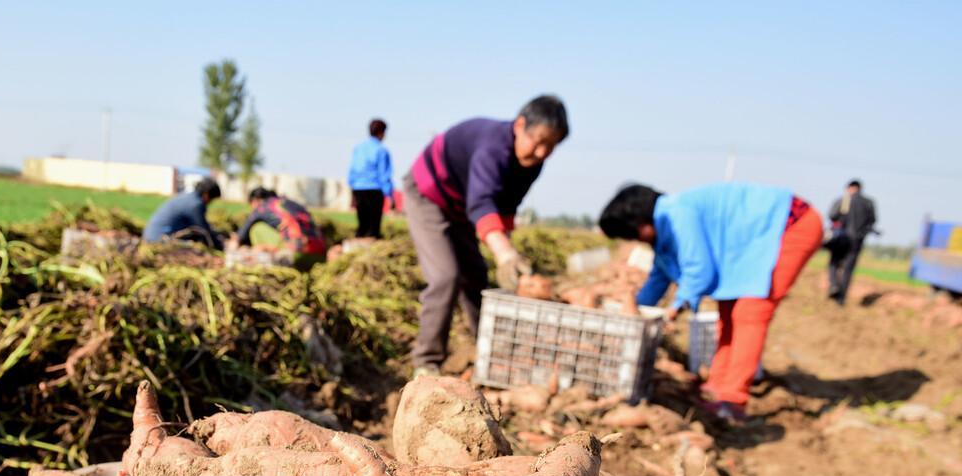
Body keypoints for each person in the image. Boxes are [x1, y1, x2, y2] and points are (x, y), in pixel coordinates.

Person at [599, 183, 823, 421]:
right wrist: (638, 311)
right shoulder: (664, 225)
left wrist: (677, 306)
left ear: (638, 222)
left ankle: (733, 400)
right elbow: (660, 274)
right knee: (727, 311)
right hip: (753, 243)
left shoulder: (678, 214)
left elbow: (699, 268)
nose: (636, 239)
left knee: (751, 312)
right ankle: (717, 385)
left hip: (789, 225)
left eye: (631, 233)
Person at [404, 95, 569, 377]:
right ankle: (426, 361)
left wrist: (506, 247)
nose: (541, 152)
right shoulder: (493, 148)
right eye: (538, 141)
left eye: (550, 146)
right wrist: (504, 254)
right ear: (520, 125)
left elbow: (504, 207)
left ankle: (490, 347)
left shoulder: (531, 163)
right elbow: (481, 204)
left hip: (461, 207)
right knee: (446, 276)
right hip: (428, 195)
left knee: (477, 275)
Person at [231, 187, 327, 271]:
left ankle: (262, 262)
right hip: (320, 255)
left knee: (257, 228)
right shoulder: (289, 203)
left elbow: (239, 236)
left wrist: (231, 253)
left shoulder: (262, 206)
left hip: (294, 254)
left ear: (255, 201)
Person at [826, 179, 877, 305]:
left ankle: (834, 285)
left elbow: (832, 215)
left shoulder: (844, 200)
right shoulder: (868, 203)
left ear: (849, 188)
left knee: (834, 263)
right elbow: (873, 220)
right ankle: (841, 298)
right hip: (857, 240)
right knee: (848, 269)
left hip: (841, 238)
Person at [142, 178, 223, 249]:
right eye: (211, 200)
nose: (209, 203)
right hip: (159, 240)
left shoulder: (187, 197)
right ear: (206, 194)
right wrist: (220, 246)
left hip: (151, 236)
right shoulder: (195, 204)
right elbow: (204, 231)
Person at [348, 118, 394, 239]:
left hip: (358, 188)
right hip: (374, 189)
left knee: (362, 226)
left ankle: (356, 251)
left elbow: (353, 170)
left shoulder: (358, 148)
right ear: (382, 132)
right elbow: (384, 174)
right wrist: (389, 194)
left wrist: (352, 187)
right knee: (373, 228)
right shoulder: (381, 150)